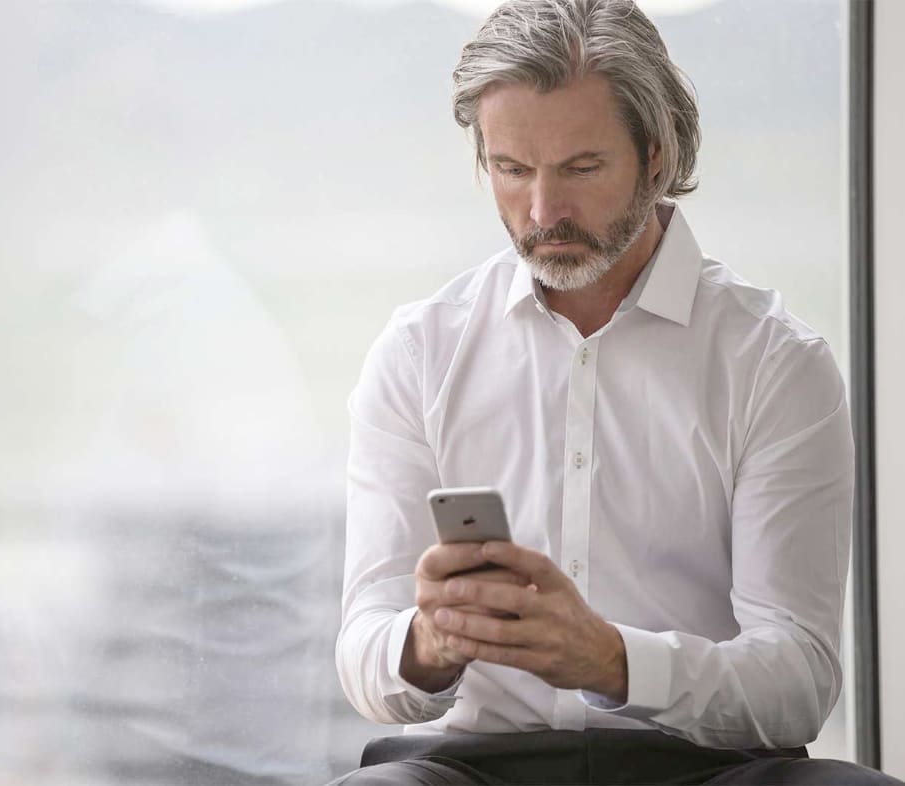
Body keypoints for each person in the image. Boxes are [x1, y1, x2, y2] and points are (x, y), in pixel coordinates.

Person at [330, 1, 904, 784]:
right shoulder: (418, 352)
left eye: (581, 168)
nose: (542, 212)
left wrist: (610, 660)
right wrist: (429, 646)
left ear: (658, 154)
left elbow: (798, 682)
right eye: (512, 169)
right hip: (467, 769)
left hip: (707, 769)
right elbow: (362, 649)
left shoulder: (774, 361)